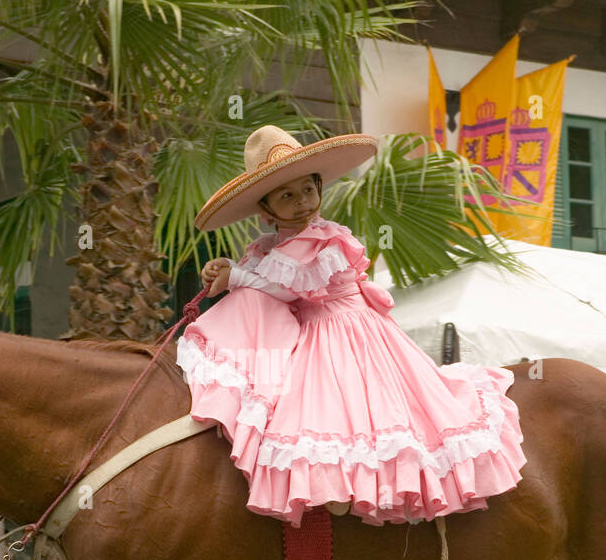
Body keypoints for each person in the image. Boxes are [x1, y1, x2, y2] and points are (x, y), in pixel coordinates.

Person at [178, 125, 526, 527]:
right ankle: (322, 481)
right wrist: (225, 271)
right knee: (308, 409)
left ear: (319, 188)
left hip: (345, 330)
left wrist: (235, 276)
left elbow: (288, 292)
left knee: (357, 413)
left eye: (307, 190)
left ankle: (370, 489)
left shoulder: (327, 238)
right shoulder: (266, 249)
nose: (301, 202)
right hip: (307, 332)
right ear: (266, 210)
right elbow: (265, 285)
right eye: (286, 196)